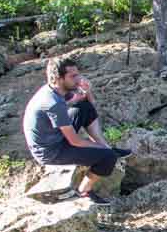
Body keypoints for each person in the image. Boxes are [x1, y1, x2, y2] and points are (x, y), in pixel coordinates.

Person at [22, 56, 131, 206]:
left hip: (55, 137)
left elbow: (91, 106)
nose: (78, 78)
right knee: (107, 158)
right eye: (73, 76)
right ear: (59, 78)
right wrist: (106, 151)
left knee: (84, 107)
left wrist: (87, 91)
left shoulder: (55, 90)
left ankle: (105, 146)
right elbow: (75, 141)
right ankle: (84, 191)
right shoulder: (52, 103)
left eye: (78, 74)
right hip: (51, 152)